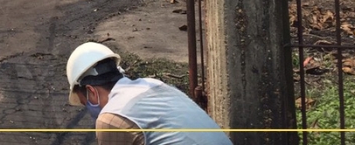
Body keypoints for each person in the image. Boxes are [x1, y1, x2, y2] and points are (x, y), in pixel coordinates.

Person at [66, 42, 232, 145]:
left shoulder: (111, 118)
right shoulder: (155, 85)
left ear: (91, 91)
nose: (88, 108)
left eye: (84, 102)